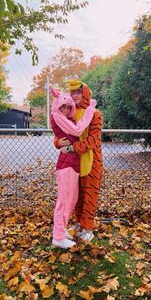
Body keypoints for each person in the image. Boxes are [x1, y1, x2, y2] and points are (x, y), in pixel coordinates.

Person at [55, 80, 103, 242]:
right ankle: (79, 223)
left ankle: (88, 227)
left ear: (85, 93)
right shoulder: (70, 113)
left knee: (89, 195)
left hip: (91, 162)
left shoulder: (95, 114)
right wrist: (57, 143)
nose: (74, 95)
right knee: (76, 196)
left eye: (78, 92)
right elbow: (61, 135)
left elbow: (93, 141)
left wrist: (71, 148)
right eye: (72, 92)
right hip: (73, 163)